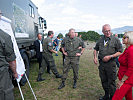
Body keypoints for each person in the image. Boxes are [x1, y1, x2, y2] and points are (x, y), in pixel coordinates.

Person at [93, 24, 122, 100]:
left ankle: (113, 97)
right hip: (102, 64)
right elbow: (95, 49)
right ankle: (106, 95)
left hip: (111, 64)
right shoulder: (100, 39)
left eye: (109, 30)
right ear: (103, 31)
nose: (108, 32)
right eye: (106, 31)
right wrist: (95, 57)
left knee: (111, 82)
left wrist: (110, 56)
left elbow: (120, 51)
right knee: (104, 80)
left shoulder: (115, 39)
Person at [112, 31, 133, 100]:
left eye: (124, 37)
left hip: (127, 80)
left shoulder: (131, 50)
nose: (122, 39)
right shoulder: (127, 49)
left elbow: (131, 68)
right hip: (124, 78)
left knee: (115, 98)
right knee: (129, 97)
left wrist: (122, 81)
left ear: (130, 38)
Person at [0, 28, 18, 99]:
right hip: (2, 73)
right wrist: (15, 72)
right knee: (5, 93)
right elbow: (11, 60)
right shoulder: (4, 36)